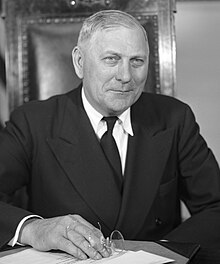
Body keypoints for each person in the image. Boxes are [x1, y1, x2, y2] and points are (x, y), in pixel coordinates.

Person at [0, 9, 220, 260]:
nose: (126, 76)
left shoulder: (175, 118)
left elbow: (215, 206)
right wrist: (32, 229)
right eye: (112, 59)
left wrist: (165, 251)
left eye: (137, 61)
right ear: (79, 63)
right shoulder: (32, 122)